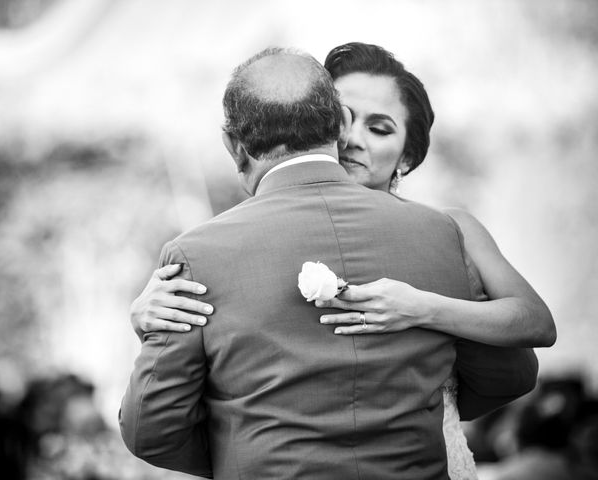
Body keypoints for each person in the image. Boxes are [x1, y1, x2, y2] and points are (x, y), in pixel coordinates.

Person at [129, 43, 555, 479]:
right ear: (330, 121)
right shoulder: (437, 236)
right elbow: (508, 376)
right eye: (349, 118)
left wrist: (243, 451)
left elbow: (154, 427)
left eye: (381, 128)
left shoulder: (451, 232)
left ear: (407, 155)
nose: (353, 140)